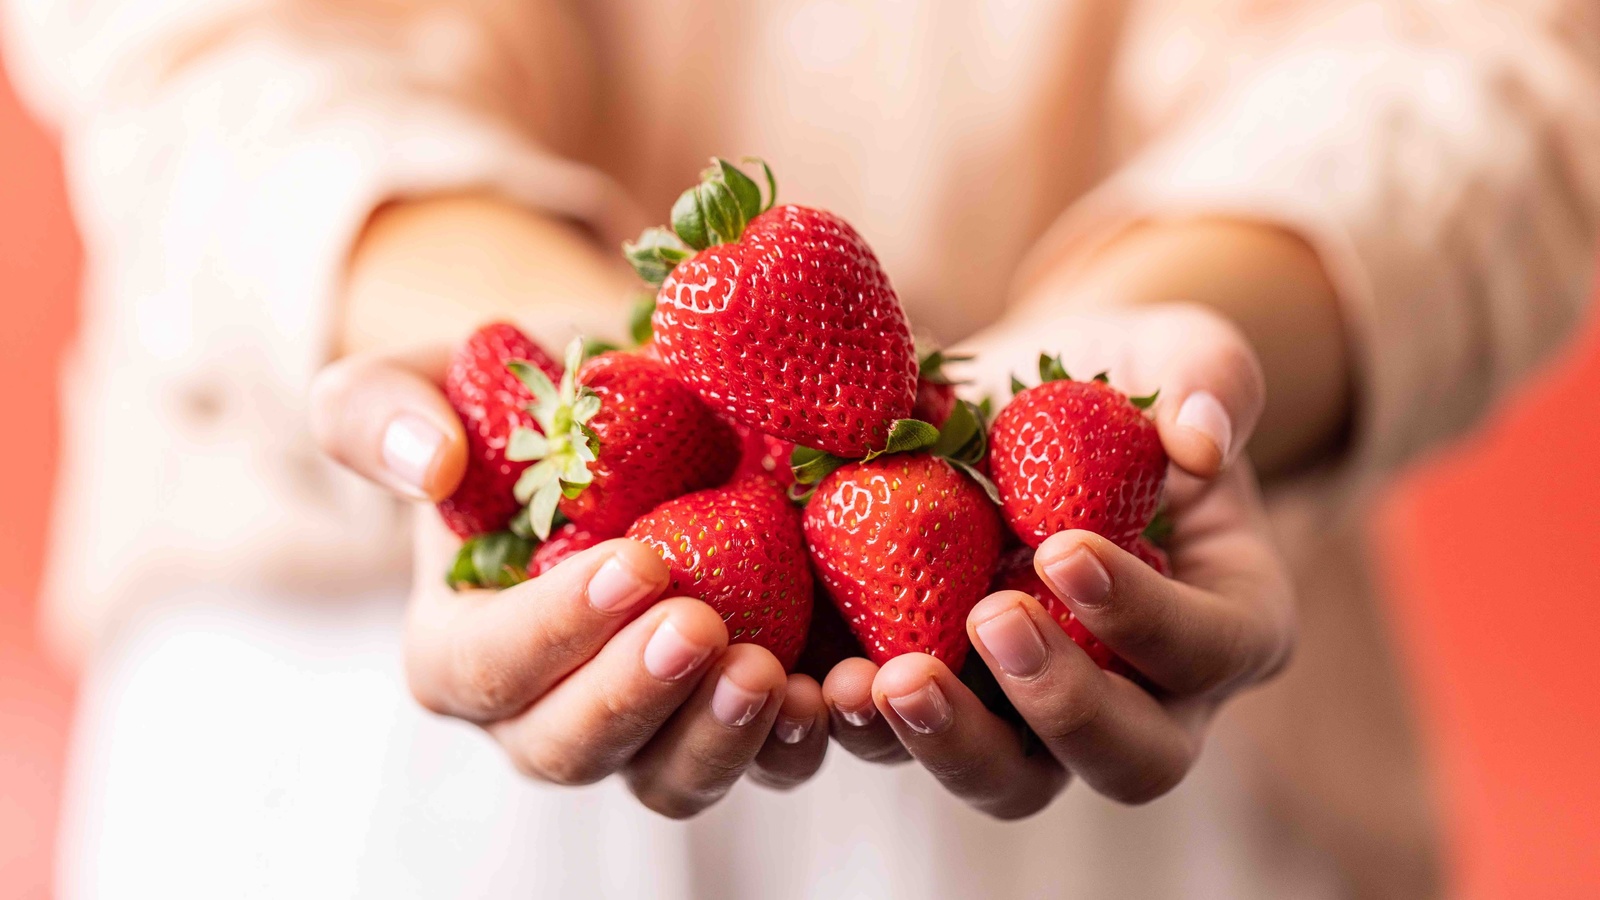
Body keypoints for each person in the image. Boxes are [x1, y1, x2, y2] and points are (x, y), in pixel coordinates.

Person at [6, 1, 1598, 897]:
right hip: (349, 714)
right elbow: (195, 42)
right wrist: (507, 347)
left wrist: (1170, 354)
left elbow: (1480, 56)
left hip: (1136, 688)